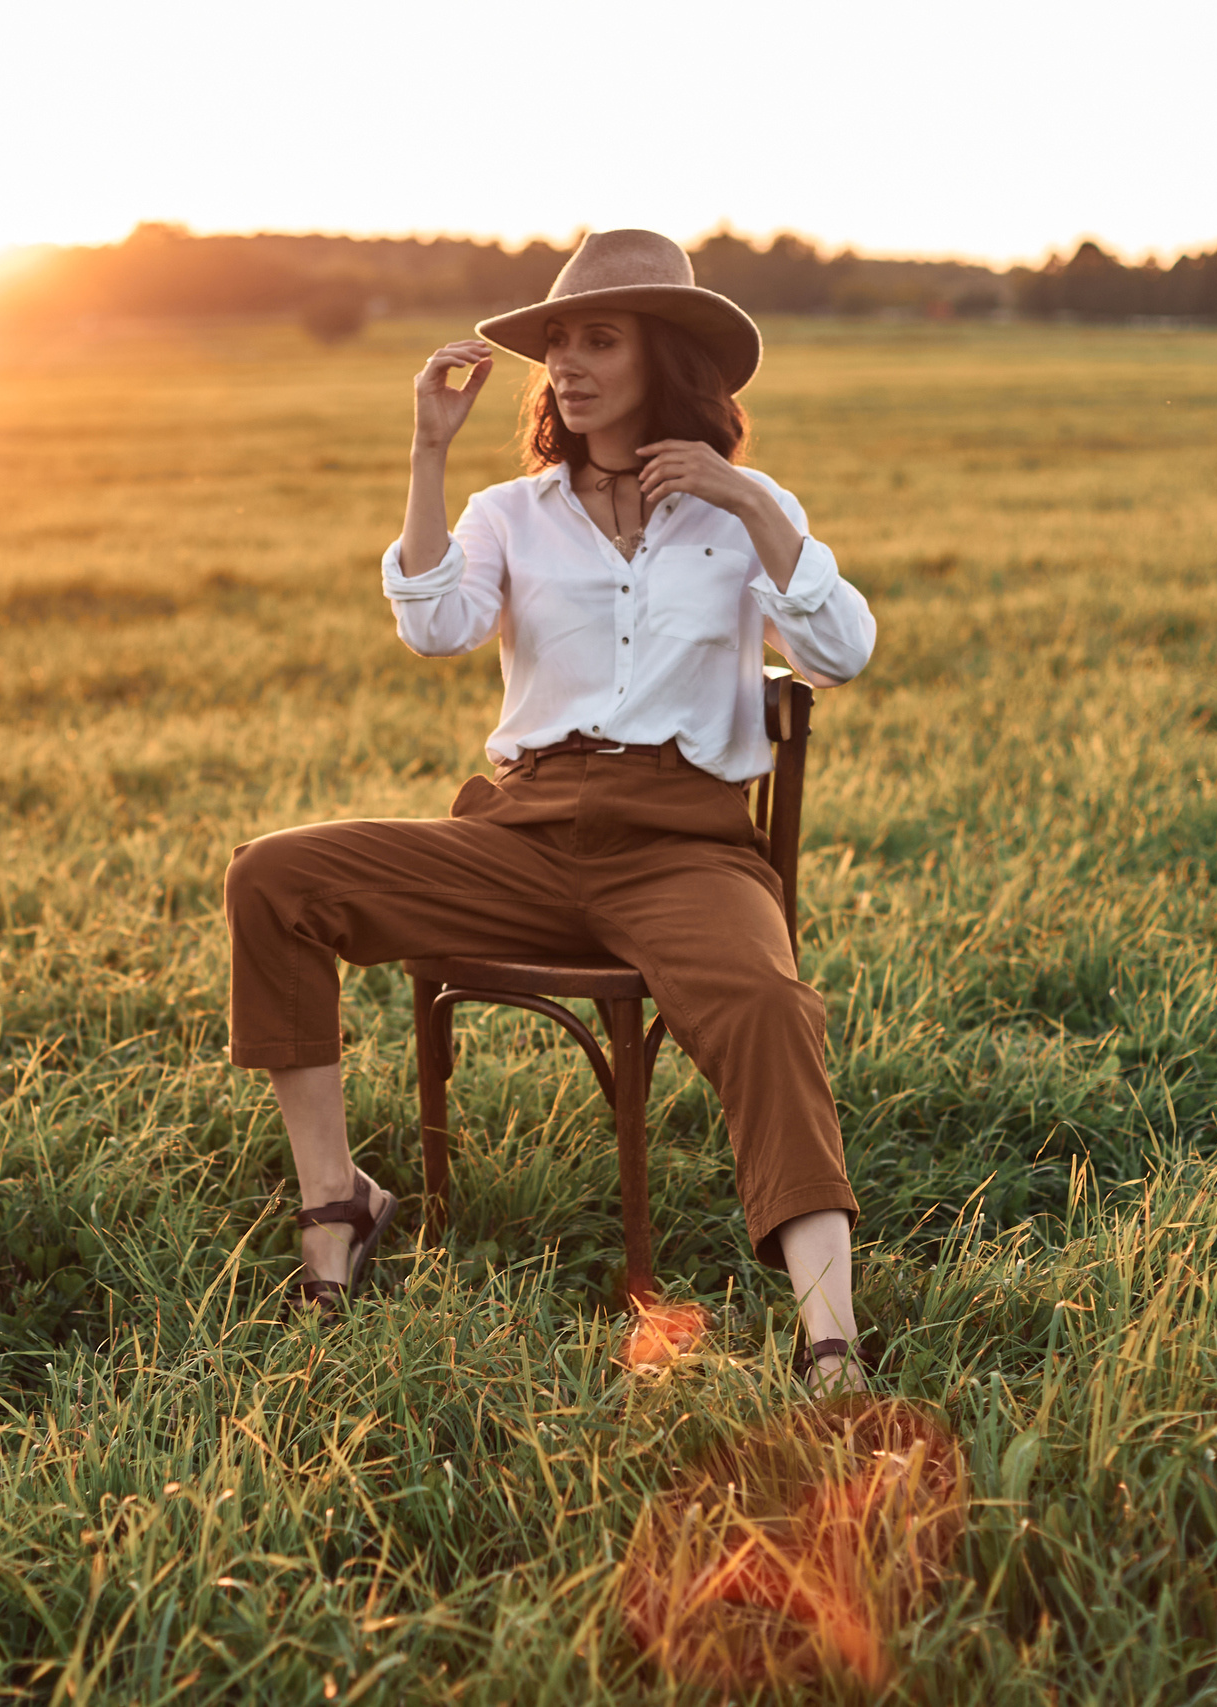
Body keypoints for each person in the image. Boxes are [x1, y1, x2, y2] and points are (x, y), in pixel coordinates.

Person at [221, 229, 877, 1391]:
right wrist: (427, 451)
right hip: (520, 839)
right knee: (273, 875)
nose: (567, 364)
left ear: (664, 356)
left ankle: (830, 1337)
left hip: (683, 851)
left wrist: (743, 497)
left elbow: (839, 651)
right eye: (558, 342)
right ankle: (337, 1200)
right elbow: (435, 626)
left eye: (599, 340)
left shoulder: (742, 511)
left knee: (770, 1003)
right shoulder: (508, 513)